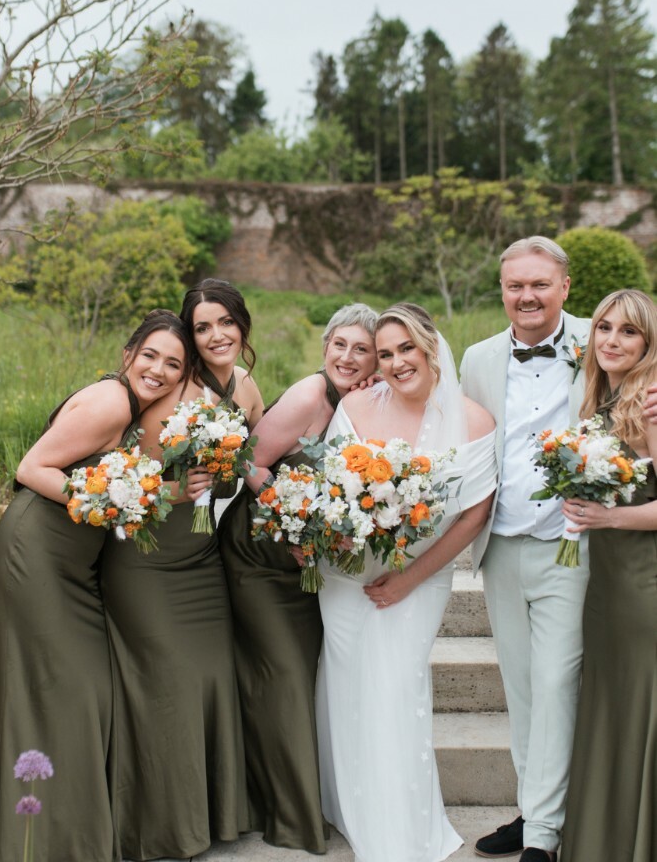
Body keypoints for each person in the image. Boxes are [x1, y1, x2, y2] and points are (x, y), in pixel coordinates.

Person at [0, 310, 190, 862]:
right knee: (68, 692)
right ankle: (52, 841)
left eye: (172, 364)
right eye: (150, 355)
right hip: (37, 555)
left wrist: (174, 492)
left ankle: (62, 832)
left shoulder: (130, 406)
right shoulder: (111, 402)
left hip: (70, 562)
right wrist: (107, 505)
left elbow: (121, 484)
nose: (158, 369)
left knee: (72, 692)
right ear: (128, 353)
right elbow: (34, 467)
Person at [317, 303, 496, 862]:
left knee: (396, 689)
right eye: (385, 353)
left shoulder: (474, 420)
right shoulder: (353, 405)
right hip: (346, 575)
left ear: (430, 348)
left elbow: (474, 515)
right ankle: (349, 805)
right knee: (345, 686)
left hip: (420, 576)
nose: (395, 363)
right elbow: (331, 490)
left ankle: (403, 829)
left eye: (405, 350)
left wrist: (408, 579)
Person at [100, 279, 263, 861]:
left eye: (225, 322)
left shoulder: (245, 387)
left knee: (213, 674)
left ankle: (215, 814)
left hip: (202, 557)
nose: (216, 335)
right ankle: (165, 824)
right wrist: (174, 486)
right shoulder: (171, 391)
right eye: (202, 327)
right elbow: (120, 472)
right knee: (166, 681)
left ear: (242, 326)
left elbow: (254, 456)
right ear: (191, 339)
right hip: (146, 556)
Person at [219, 302, 378, 854]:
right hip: (260, 553)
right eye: (341, 344)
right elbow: (249, 462)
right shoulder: (310, 396)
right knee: (282, 676)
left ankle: (291, 799)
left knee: (299, 677)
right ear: (325, 345)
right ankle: (291, 817)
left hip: (307, 564)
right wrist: (291, 509)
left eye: (362, 349)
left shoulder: (364, 401)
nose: (349, 357)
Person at [460, 236, 592, 862]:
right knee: (522, 688)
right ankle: (532, 809)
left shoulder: (602, 340)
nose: (527, 296)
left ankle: (543, 835)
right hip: (502, 544)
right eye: (516, 285)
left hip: (573, 544)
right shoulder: (479, 357)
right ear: (503, 290)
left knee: (558, 680)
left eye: (540, 284)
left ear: (565, 286)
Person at [559, 289, 656, 862]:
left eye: (628, 332)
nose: (613, 341)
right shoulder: (602, 399)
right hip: (608, 588)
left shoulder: (647, 405)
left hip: (643, 588)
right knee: (612, 710)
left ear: (647, 344)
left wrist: (609, 516)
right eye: (604, 329)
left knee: (639, 712)